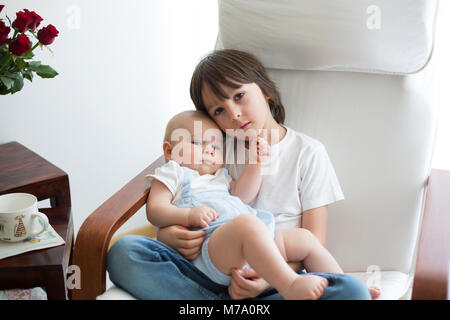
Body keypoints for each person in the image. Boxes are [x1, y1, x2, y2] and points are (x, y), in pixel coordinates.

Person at [107, 49, 378, 300]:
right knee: (124, 251)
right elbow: (179, 199)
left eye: (239, 96)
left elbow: (313, 239)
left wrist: (266, 278)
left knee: (352, 290)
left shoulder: (308, 153)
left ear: (266, 91)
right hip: (212, 267)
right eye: (219, 110)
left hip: (279, 276)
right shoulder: (215, 153)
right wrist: (169, 235)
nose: (234, 114)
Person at [145, 110, 346, 300]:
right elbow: (155, 210)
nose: (209, 150)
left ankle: (344, 285)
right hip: (211, 250)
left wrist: (255, 164)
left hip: (254, 244)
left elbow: (244, 194)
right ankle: (290, 285)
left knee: (304, 238)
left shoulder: (219, 177)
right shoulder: (173, 173)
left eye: (215, 147)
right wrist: (188, 216)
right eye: (198, 142)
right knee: (247, 224)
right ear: (169, 151)